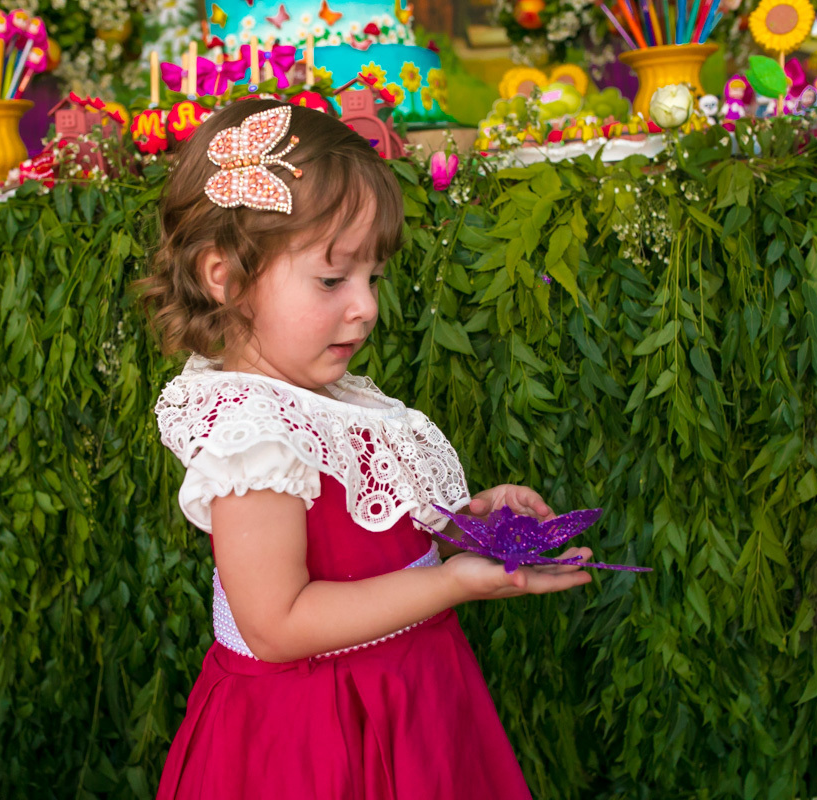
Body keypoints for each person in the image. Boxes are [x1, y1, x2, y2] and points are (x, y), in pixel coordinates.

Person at [139, 98, 594, 799]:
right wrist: (452, 583)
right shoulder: (250, 436)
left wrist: (469, 526)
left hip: (413, 699)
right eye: (332, 280)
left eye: (372, 278)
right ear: (224, 278)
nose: (367, 307)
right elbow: (276, 625)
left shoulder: (330, 397)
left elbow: (368, 538)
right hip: (319, 735)